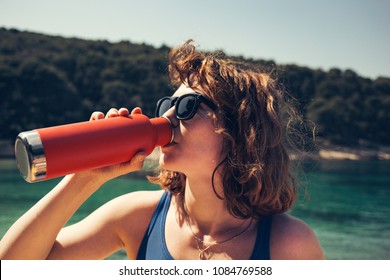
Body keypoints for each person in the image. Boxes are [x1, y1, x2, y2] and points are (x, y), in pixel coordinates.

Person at [0, 40, 324, 260]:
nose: (166, 117)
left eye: (187, 106)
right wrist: (83, 179)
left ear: (241, 129)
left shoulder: (288, 243)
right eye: (168, 103)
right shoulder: (137, 217)